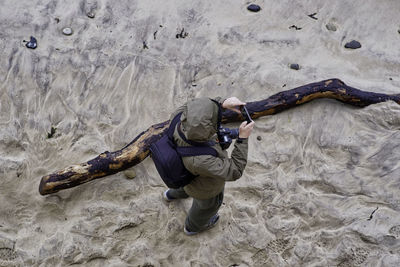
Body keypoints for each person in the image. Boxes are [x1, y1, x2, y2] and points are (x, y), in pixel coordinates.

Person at [162, 96, 255, 235]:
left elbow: (197, 105)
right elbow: (234, 170)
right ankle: (192, 227)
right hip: (204, 189)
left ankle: (170, 195)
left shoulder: (177, 117)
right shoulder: (201, 160)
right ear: (208, 129)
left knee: (184, 186)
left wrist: (222, 103)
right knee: (205, 208)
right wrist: (242, 139)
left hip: (184, 173)